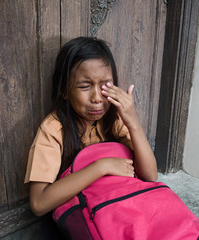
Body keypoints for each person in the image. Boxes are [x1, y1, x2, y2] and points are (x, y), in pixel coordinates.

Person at [24, 36, 158, 217]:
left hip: (117, 204)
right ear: (64, 90)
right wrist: (102, 166)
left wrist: (133, 122)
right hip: (85, 214)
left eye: (105, 85)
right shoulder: (54, 129)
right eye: (85, 86)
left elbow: (151, 176)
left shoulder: (114, 118)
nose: (96, 98)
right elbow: (39, 204)